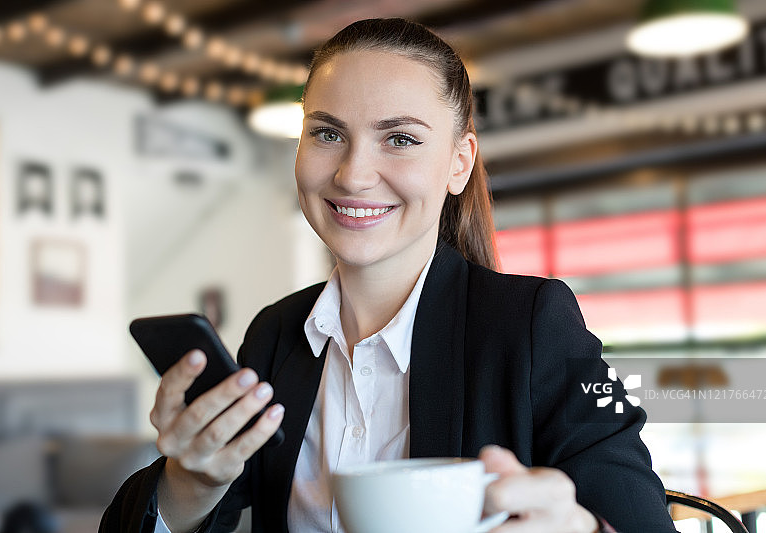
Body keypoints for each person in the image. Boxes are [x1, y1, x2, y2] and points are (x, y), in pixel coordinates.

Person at [102, 18, 678, 533]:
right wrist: (192, 483)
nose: (353, 175)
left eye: (399, 139)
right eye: (327, 133)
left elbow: (639, 517)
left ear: (459, 163)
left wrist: (581, 527)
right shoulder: (276, 335)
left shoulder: (534, 324)